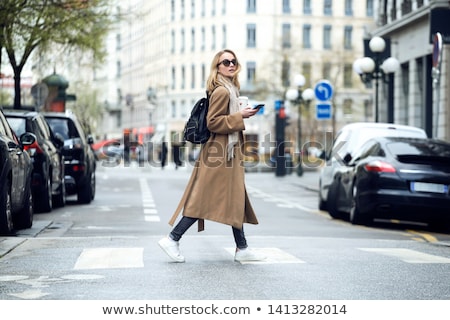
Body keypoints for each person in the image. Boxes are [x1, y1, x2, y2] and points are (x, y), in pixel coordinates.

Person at [158, 49, 265, 263]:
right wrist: (239, 116)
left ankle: (242, 247)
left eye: (234, 61)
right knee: (204, 199)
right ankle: (172, 238)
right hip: (219, 152)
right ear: (217, 67)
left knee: (235, 198)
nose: (231, 65)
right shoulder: (222, 92)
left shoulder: (232, 90)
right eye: (226, 62)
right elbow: (213, 122)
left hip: (227, 152)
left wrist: (241, 114)